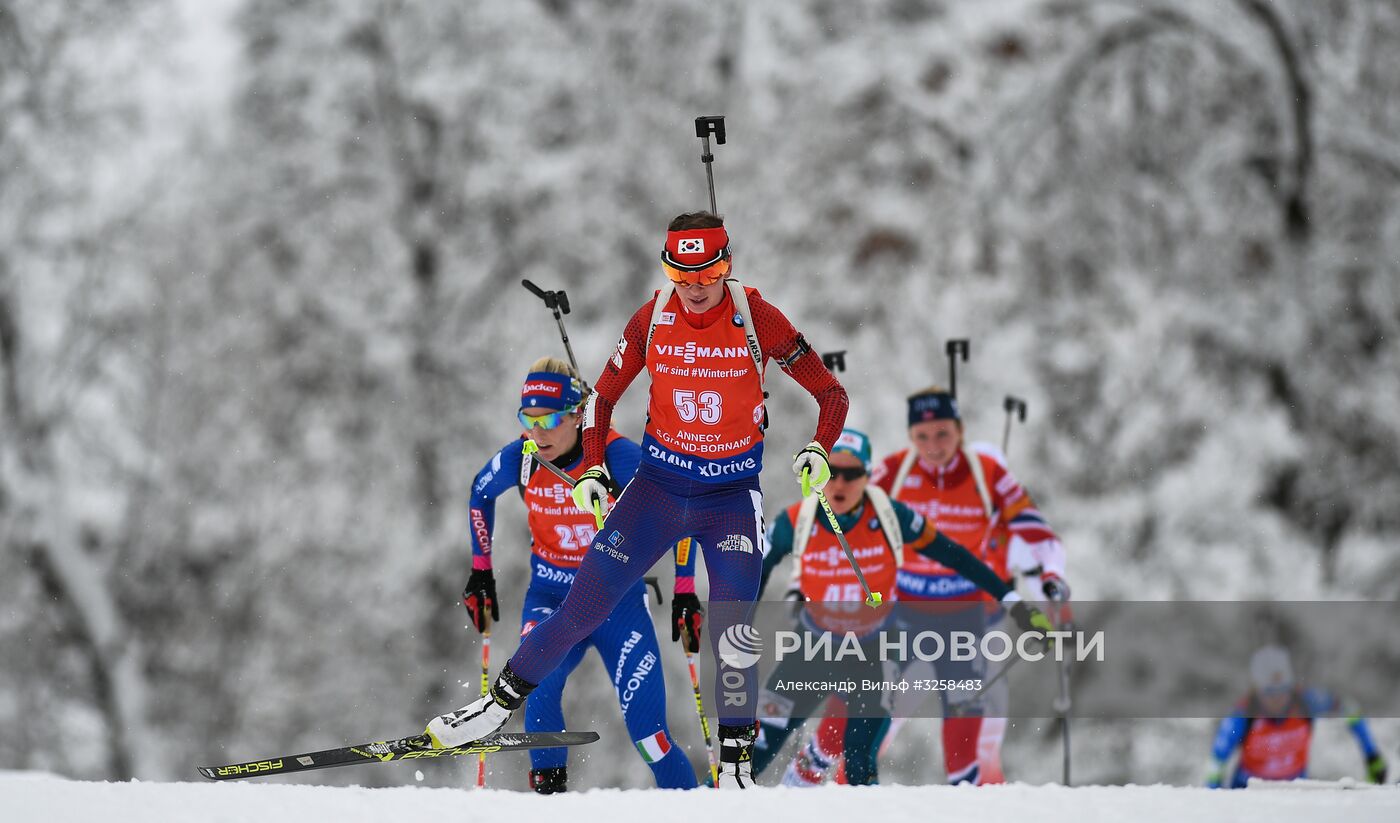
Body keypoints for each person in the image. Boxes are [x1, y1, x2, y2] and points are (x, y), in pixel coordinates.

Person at [425, 211, 849, 788]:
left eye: (710, 271)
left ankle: (735, 765)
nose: (697, 287)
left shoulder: (757, 318)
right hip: (658, 490)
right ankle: (495, 708)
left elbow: (830, 393)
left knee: (732, 625)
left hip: (729, 496)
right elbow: (599, 401)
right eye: (683, 273)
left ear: (727, 265)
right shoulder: (653, 319)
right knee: (581, 606)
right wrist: (595, 469)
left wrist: (820, 451)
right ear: (668, 270)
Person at [784, 385, 1070, 785]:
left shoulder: (988, 475)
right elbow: (843, 519)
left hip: (962, 615)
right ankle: (799, 789)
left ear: (960, 430)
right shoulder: (894, 470)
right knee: (853, 709)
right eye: (922, 436)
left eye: (943, 434)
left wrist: (1052, 579)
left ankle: (962, 802)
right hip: (899, 609)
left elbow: (1039, 536)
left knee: (963, 724)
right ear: (910, 436)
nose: (933, 445)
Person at [459, 358, 698, 791]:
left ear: (578, 414)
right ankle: (550, 805)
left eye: (550, 420)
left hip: (616, 604)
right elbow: (479, 492)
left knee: (651, 739)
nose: (539, 432)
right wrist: (481, 572)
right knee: (538, 690)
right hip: (551, 599)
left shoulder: (616, 456)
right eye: (528, 420)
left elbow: (681, 513)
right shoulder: (522, 458)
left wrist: (685, 589)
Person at [1206, 646, 1387, 789]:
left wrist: (1372, 755)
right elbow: (1216, 763)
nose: (1277, 698)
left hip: (1296, 794)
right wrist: (1215, 801)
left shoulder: (1307, 702)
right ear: (1256, 689)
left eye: (1282, 689)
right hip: (1247, 794)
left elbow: (1350, 709)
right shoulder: (1242, 715)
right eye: (1269, 692)